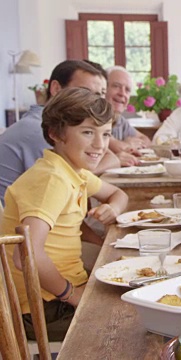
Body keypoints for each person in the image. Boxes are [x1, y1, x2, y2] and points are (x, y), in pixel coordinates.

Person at [2, 87, 128, 341]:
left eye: (105, 134)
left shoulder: (71, 170)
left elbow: (119, 194)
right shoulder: (52, 179)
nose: (100, 145)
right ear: (55, 134)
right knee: (134, 321)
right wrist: (73, 294)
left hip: (57, 293)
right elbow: (26, 255)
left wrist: (111, 208)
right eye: (87, 132)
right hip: (40, 309)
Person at [0, 60, 120, 205]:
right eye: (84, 93)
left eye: (100, 94)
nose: (94, 102)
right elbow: (62, 182)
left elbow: (112, 158)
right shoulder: (41, 129)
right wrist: (81, 174)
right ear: (56, 88)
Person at [105, 66, 151, 166]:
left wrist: (131, 144)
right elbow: (119, 147)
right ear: (103, 89)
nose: (122, 93)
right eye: (116, 86)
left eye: (127, 90)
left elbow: (146, 139)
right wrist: (127, 146)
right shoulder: (96, 119)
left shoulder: (120, 120)